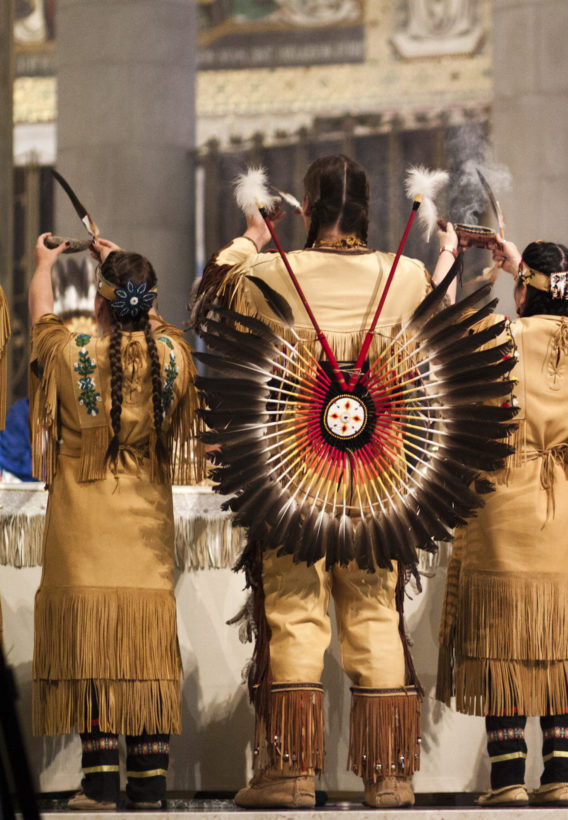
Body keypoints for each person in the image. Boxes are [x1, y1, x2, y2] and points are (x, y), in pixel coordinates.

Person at [196, 154, 455, 809]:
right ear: (368, 209)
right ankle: (390, 775)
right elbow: (437, 345)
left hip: (292, 473)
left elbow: (212, 292)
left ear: (306, 209)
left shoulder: (270, 270)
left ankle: (288, 774)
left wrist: (253, 234)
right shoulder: (408, 274)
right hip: (378, 474)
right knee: (374, 613)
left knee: (293, 614)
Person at [436, 239, 568, 808]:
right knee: (561, 639)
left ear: (523, 289)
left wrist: (451, 254)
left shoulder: (498, 338)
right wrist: (521, 265)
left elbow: (443, 327)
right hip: (564, 501)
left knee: (505, 641)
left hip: (503, 499)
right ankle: (563, 776)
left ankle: (508, 781)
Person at [29, 234, 203, 810]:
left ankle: (100, 783)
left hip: (82, 523)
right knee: (143, 653)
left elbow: (40, 316)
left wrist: (44, 264)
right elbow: (154, 325)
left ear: (100, 304)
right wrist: (123, 269)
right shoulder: (174, 356)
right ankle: (149, 783)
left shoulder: (72, 347)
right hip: (144, 530)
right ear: (147, 300)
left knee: (94, 650)